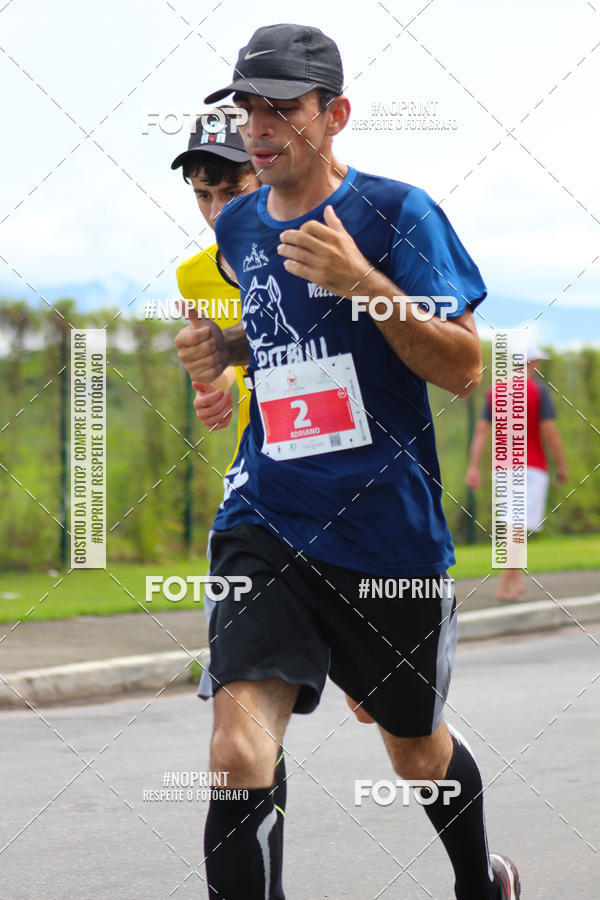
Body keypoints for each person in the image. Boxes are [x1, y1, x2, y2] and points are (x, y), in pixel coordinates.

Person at [175, 23, 520, 900]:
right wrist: (224, 347)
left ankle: (481, 879)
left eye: (283, 109)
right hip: (268, 513)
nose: (260, 127)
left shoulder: (400, 213)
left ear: (334, 116)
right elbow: (289, 335)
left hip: (384, 535)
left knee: (413, 745)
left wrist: (365, 282)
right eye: (249, 107)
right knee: (238, 748)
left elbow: (463, 365)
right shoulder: (244, 223)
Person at [466, 342, 568, 601]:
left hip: (502, 471)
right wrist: (562, 463)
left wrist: (473, 468)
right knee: (518, 527)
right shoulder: (538, 391)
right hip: (531, 468)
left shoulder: (494, 392)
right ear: (531, 363)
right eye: (537, 362)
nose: (539, 367)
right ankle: (504, 587)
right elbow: (549, 430)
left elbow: (480, 432)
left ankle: (516, 584)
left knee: (514, 525)